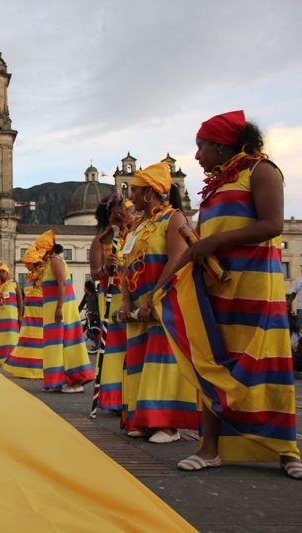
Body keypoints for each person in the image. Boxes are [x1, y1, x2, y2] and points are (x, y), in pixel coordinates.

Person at [167, 111, 301, 477]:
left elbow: (272, 224)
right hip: (217, 287)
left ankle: (287, 451)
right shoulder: (214, 188)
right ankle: (210, 448)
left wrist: (211, 241)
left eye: (201, 146)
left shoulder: (262, 170)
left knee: (267, 363)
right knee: (213, 360)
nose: (196, 156)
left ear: (221, 145)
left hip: (256, 285)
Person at [119, 162, 199, 443]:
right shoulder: (136, 226)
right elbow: (125, 263)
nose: (131, 197)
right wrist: (127, 299)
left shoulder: (173, 218)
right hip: (139, 302)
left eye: (136, 191)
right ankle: (143, 417)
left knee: (162, 360)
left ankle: (167, 424)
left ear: (151, 194)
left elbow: (178, 259)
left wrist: (155, 296)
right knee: (140, 361)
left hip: (165, 300)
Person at [89, 195, 137, 412]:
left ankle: (134, 394)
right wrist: (106, 269)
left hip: (133, 293)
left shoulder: (135, 236)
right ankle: (116, 398)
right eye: (128, 210)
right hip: (111, 293)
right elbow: (94, 274)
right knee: (115, 346)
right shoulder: (100, 241)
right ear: (115, 214)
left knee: (132, 344)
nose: (131, 215)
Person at [36, 231, 95, 393]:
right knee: (56, 346)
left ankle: (75, 382)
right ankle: (57, 381)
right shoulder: (52, 261)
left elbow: (61, 284)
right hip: (54, 309)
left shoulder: (55, 260)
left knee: (66, 343)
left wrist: (59, 307)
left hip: (59, 308)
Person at [3, 244, 43, 379]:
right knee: (28, 341)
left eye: (27, 262)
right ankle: (27, 368)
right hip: (30, 313)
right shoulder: (31, 276)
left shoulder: (42, 274)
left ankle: (37, 370)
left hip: (39, 313)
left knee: (36, 340)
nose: (25, 265)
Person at [0, 263, 21, 366]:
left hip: (11, 317)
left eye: (3, 272)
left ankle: (11, 360)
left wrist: (20, 316)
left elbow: (20, 301)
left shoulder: (14, 283)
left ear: (8, 273)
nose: (1, 273)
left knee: (11, 338)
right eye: (0, 272)